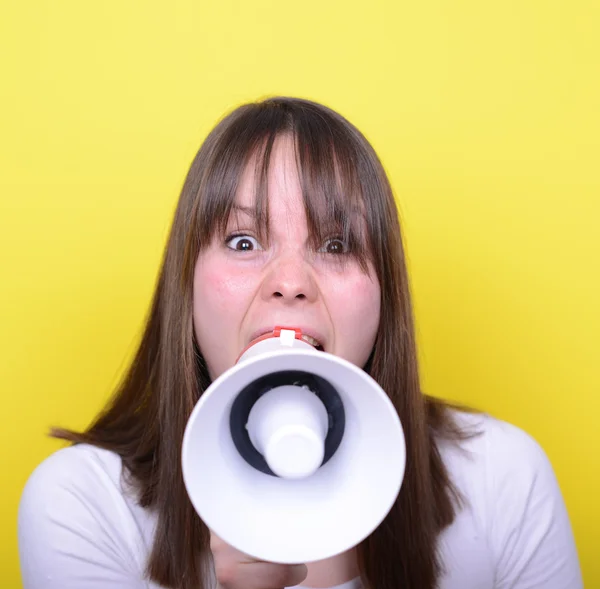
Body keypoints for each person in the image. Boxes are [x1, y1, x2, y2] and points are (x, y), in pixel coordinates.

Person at [18, 97, 583, 589]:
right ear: (185, 283)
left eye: (336, 244)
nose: (290, 282)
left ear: (386, 290)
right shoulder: (84, 504)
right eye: (243, 241)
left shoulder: (502, 478)